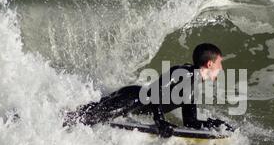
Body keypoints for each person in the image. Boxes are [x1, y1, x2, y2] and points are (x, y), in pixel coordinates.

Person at [63, 43, 234, 137]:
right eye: (220, 63)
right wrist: (160, 120)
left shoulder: (192, 87)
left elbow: (191, 122)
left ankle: (61, 117)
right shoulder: (184, 72)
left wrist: (215, 124)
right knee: (87, 119)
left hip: (134, 104)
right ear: (210, 64)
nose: (221, 68)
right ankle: (57, 123)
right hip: (133, 97)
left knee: (89, 113)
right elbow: (156, 89)